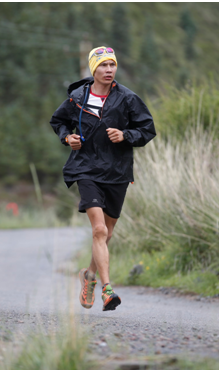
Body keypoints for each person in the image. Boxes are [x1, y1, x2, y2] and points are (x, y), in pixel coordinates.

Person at [50, 46, 156, 311]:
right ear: (92, 69)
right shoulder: (77, 97)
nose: (109, 70)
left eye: (112, 65)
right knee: (98, 229)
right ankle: (108, 290)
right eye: (103, 66)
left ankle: (89, 276)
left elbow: (147, 129)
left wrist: (126, 135)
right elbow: (58, 121)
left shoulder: (128, 99)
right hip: (85, 168)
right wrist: (67, 137)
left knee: (106, 234)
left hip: (117, 171)